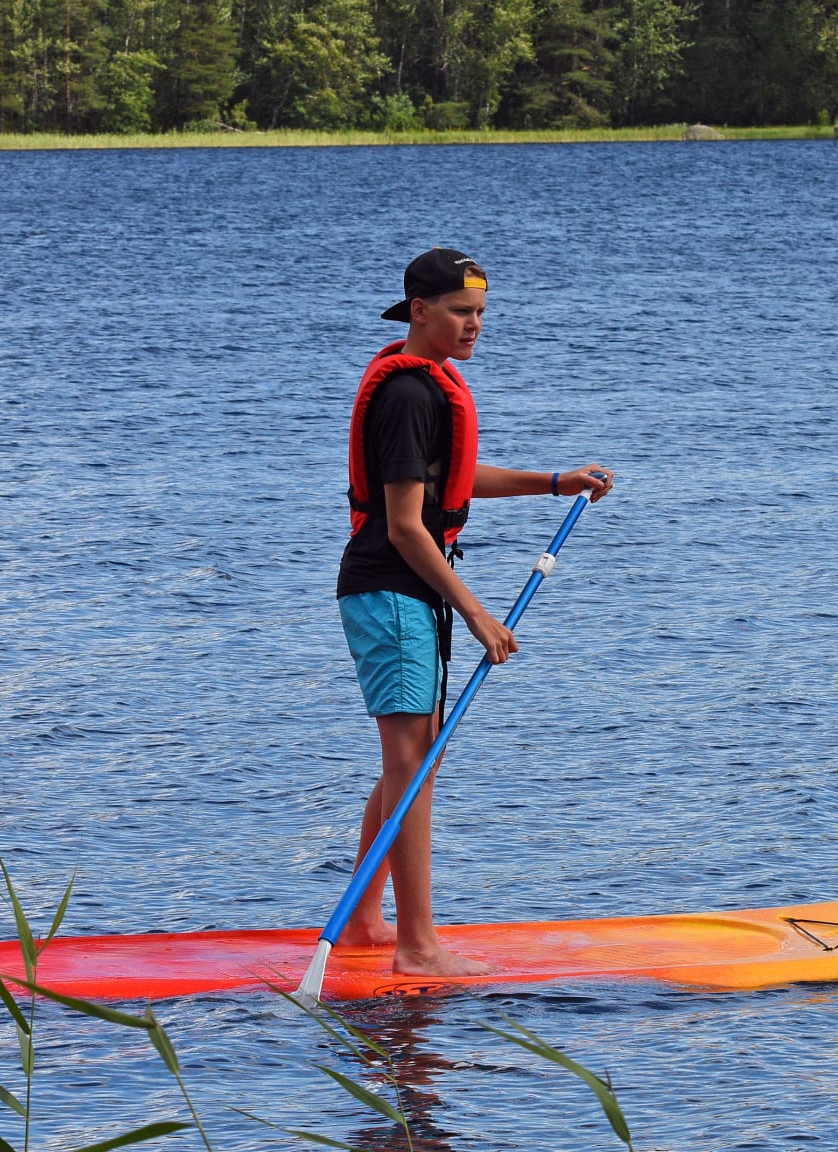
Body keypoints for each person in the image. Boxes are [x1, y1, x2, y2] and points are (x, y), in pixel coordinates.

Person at [335, 247, 613, 977]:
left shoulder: (431, 388)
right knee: (410, 761)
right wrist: (481, 615)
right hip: (393, 591)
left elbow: (449, 485)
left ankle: (367, 921)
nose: (474, 326)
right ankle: (416, 947)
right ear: (419, 311)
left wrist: (554, 483)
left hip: (412, 593)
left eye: (482, 313)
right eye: (461, 312)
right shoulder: (405, 396)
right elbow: (403, 524)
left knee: (416, 760)